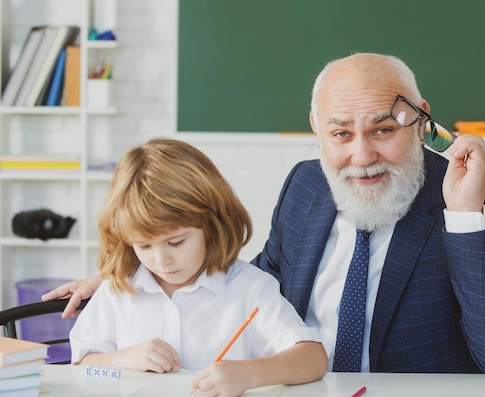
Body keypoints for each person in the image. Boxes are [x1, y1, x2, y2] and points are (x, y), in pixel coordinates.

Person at [46, 53, 485, 378]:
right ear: (317, 130)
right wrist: (133, 274)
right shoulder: (306, 184)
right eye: (341, 134)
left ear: (421, 120)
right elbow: (255, 283)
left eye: (383, 129)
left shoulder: (479, 210)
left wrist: (466, 214)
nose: (362, 156)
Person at [68, 138, 327, 396]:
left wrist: (246, 374)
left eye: (176, 242)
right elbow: (80, 365)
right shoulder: (118, 289)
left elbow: (313, 359)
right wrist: (123, 359)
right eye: (144, 246)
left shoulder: (248, 287)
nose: (161, 261)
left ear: (211, 225)